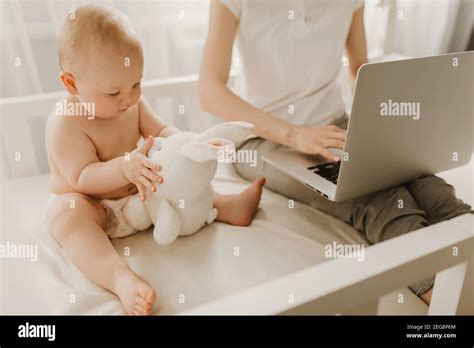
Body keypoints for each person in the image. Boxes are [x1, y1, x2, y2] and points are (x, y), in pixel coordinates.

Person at [198, 0, 472, 305]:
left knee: (429, 188)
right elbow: (209, 91)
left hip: (335, 128)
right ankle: (451, 304)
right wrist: (295, 134)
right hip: (260, 138)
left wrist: (386, 117)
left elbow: (359, 68)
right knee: (378, 201)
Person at [46, 4, 265, 315]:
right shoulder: (66, 122)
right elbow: (81, 177)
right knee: (67, 217)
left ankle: (225, 205)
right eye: (113, 93)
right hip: (94, 205)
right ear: (71, 84)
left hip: (143, 196)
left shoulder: (132, 104)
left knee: (173, 175)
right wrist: (124, 168)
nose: (128, 98)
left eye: (136, 84)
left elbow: (161, 130)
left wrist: (185, 144)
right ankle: (119, 277)